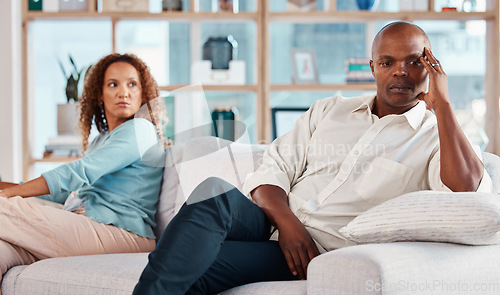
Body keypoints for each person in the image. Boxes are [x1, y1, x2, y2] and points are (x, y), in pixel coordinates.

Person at [133, 21, 493, 295]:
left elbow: (466, 194)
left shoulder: (436, 137)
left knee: (189, 270)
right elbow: (273, 169)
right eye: (387, 62)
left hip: (309, 252)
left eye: (414, 62)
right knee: (211, 191)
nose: (400, 71)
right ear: (373, 67)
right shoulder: (329, 110)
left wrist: (444, 105)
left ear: (430, 68)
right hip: (271, 221)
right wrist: (288, 224)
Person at [0, 53, 166, 284]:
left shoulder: (141, 130)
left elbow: (80, 171)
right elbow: (64, 193)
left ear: (143, 93)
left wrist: (8, 195)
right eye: (112, 84)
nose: (123, 92)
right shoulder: (102, 140)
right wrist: (8, 186)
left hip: (123, 234)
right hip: (84, 226)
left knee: (3, 209)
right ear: (100, 94)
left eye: (132, 84)